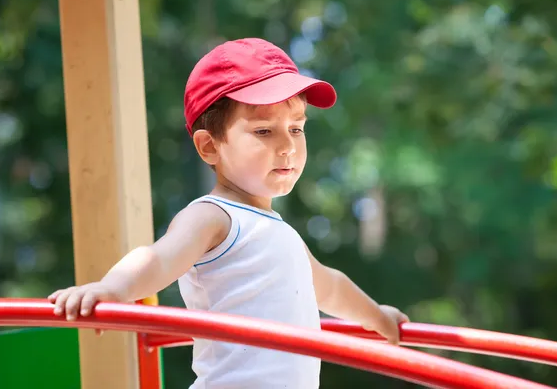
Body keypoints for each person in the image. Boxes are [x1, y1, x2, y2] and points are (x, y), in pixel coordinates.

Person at [48, 38, 410, 389]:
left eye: (296, 128)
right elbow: (158, 260)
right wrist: (111, 288)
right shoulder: (215, 217)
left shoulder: (281, 234)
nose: (287, 146)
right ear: (209, 146)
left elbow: (329, 287)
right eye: (264, 130)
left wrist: (377, 317)